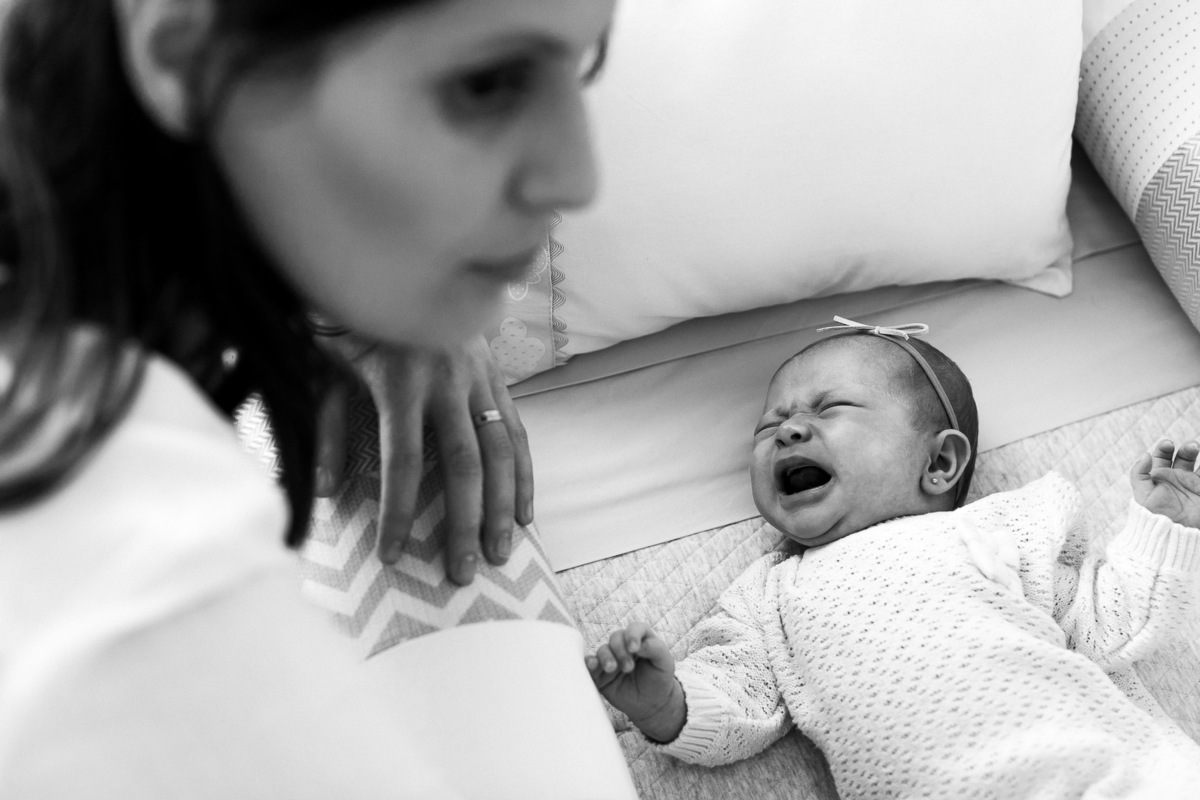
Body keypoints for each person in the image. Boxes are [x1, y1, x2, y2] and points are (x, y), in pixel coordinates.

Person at [0, 0, 635, 796]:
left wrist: (350, 315)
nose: (579, 176)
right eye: (485, 83)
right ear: (185, 56)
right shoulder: (138, 594)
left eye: (584, 62)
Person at [587, 319, 1200, 799]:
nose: (789, 431)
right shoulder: (770, 593)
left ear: (939, 463)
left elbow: (1108, 623)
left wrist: (1161, 526)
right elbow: (737, 697)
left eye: (829, 408)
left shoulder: (994, 531)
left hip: (1107, 775)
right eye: (769, 426)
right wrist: (665, 703)